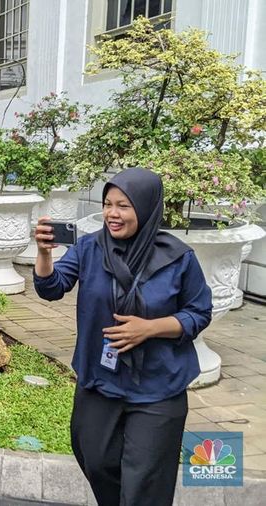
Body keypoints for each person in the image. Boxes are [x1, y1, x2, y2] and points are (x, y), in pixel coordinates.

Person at [33, 168, 213, 506]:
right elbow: (52, 288)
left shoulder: (179, 258)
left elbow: (199, 312)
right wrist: (44, 253)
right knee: (97, 462)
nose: (112, 214)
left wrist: (150, 328)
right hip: (101, 380)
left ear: (145, 208)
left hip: (158, 386)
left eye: (124, 206)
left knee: (143, 483)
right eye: (107, 204)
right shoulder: (90, 248)